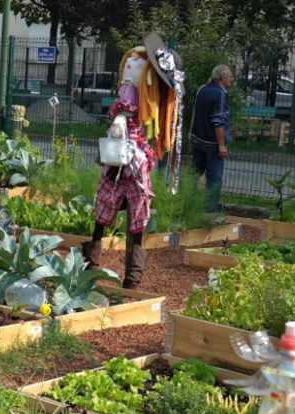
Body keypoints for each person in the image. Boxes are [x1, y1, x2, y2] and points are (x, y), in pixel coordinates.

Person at [83, 32, 184, 290]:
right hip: (131, 155)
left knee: (107, 213)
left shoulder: (133, 68)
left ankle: (93, 267)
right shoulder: (142, 74)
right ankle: (129, 279)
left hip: (121, 156)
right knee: (135, 216)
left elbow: (126, 114)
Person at [190, 64, 233, 214]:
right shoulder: (221, 94)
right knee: (214, 181)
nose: (231, 79)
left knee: (193, 175)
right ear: (223, 77)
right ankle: (209, 214)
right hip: (213, 145)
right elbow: (218, 121)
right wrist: (221, 145)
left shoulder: (203, 89)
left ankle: (187, 206)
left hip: (198, 140)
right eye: (230, 76)